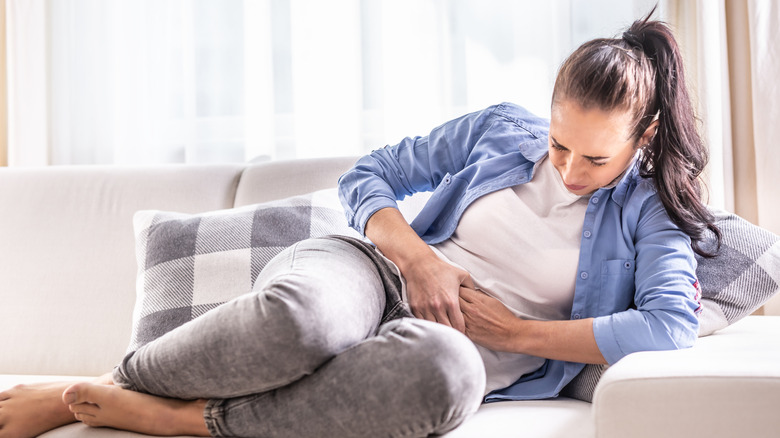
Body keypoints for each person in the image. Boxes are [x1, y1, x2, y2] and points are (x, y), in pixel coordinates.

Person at [0, 11, 719, 438]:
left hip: (451, 348)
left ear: (644, 134)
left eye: (593, 157)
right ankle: (103, 383)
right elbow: (368, 175)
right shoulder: (503, 129)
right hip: (376, 275)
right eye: (558, 143)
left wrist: (515, 333)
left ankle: (190, 420)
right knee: (303, 320)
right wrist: (420, 260)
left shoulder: (654, 215)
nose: (565, 168)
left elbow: (667, 327)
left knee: (445, 374)